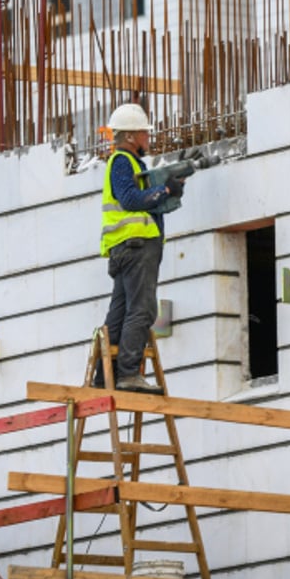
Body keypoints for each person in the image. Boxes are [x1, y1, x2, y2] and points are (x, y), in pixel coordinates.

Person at [97, 103, 184, 394]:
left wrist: (165, 193)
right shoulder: (122, 161)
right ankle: (128, 374)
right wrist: (166, 190)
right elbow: (132, 199)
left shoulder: (130, 164)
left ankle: (104, 374)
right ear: (132, 136)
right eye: (145, 134)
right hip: (135, 247)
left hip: (126, 248)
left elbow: (143, 200)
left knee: (120, 312)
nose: (148, 139)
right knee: (143, 309)